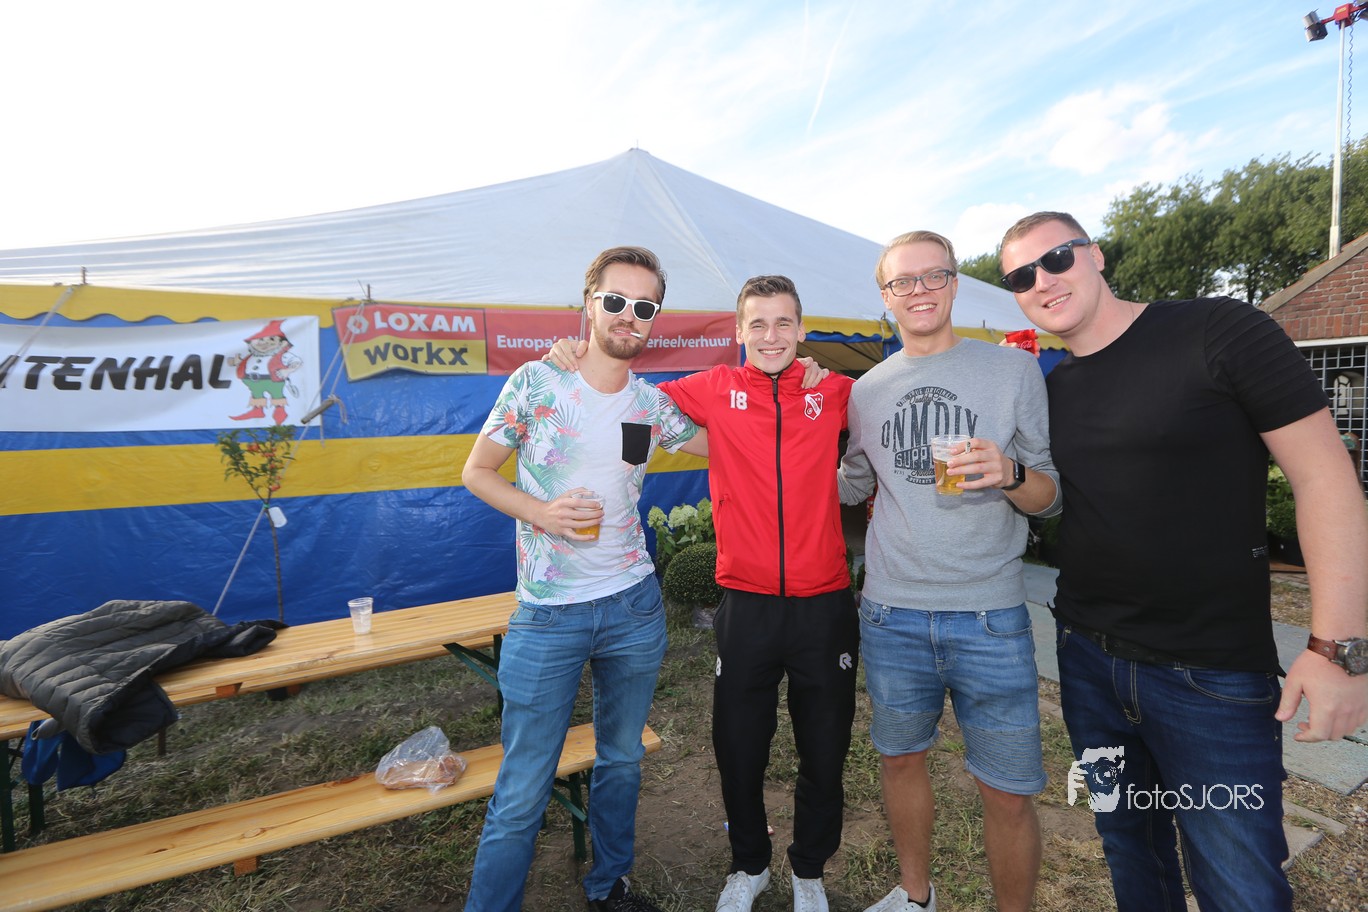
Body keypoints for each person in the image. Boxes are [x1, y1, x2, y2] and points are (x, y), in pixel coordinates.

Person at [998, 211, 1368, 912]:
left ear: (1095, 255)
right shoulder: (1055, 388)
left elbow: (1326, 478)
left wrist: (1339, 648)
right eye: (1020, 276)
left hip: (1210, 676)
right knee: (1132, 855)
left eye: (1057, 258)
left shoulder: (1216, 330)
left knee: (1240, 887)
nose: (1042, 281)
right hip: (1087, 662)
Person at [547, 275, 860, 912]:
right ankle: (749, 865)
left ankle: (809, 871)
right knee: (739, 748)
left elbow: (885, 425)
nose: (770, 336)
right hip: (745, 603)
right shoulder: (716, 387)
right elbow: (632, 402)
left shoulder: (835, 391)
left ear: (801, 330)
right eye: (757, 324)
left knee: (825, 749)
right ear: (739, 332)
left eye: (783, 323)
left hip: (824, 604)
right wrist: (580, 361)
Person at [461, 245, 706, 912]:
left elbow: (728, 442)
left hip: (633, 607)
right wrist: (539, 511)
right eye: (616, 300)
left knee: (620, 761)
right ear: (589, 304)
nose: (630, 315)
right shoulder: (538, 383)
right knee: (523, 787)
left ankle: (610, 886)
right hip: (549, 615)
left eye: (645, 306)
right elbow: (476, 472)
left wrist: (788, 389)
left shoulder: (650, 404)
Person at [836, 230, 1061, 912]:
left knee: (1008, 789)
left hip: (990, 615)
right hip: (891, 613)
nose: (920, 291)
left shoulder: (1013, 371)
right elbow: (851, 484)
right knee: (900, 759)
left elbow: (1051, 497)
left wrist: (1010, 472)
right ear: (885, 298)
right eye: (903, 281)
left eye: (934, 276)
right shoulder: (866, 391)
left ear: (956, 284)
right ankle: (916, 897)